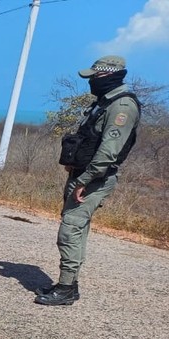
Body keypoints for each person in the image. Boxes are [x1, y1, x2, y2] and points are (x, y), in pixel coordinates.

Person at [36, 55, 140, 306]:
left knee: (70, 229)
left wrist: (84, 179)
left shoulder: (122, 106)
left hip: (93, 179)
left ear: (108, 75)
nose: (91, 81)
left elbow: (109, 151)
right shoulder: (104, 102)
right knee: (77, 228)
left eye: (94, 76)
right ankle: (69, 284)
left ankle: (66, 288)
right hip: (84, 176)